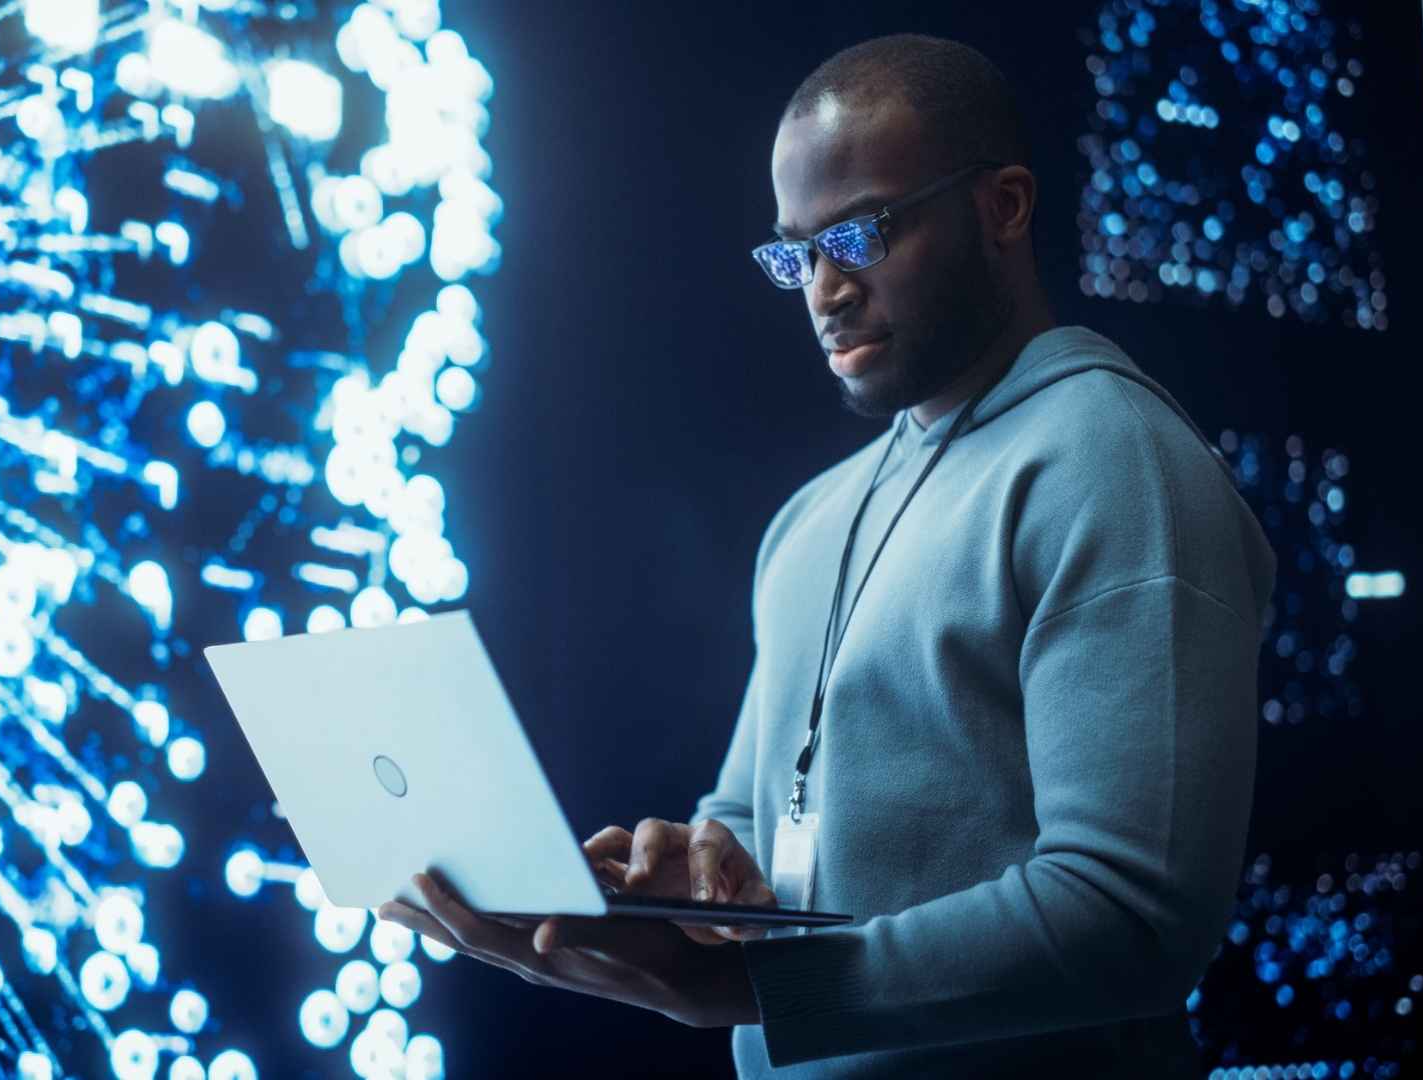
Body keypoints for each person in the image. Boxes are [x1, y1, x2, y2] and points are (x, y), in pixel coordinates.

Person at [376, 33, 1277, 1078]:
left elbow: (1132, 919)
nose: (821, 288)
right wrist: (678, 885)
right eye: (795, 252)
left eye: (859, 236)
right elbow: (758, 824)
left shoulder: (1112, 461)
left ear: (1007, 207)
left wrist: (750, 988)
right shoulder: (810, 521)